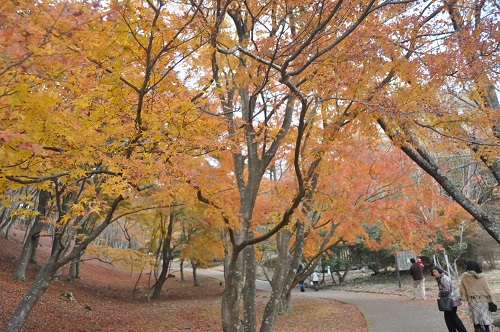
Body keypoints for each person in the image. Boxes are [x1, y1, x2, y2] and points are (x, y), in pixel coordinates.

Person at [459, 260, 494, 332]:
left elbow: (462, 289)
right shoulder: (482, 276)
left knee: (476, 321)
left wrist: (464, 299)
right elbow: (487, 289)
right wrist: (490, 300)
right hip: (483, 301)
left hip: (473, 301)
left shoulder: (465, 276)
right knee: (486, 320)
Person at [431, 266, 468, 332]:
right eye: (433, 272)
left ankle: (462, 330)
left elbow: (446, 290)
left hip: (451, 301)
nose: (434, 273)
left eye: (435, 271)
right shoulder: (440, 278)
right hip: (449, 300)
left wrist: (439, 294)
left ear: (439, 271)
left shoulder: (443, 278)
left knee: (452, 318)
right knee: (449, 318)